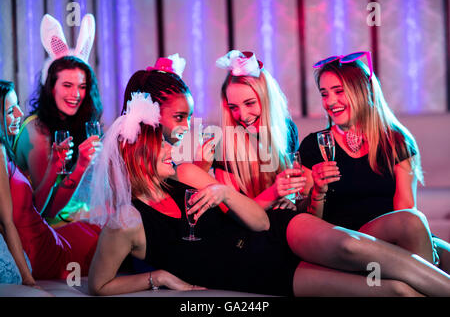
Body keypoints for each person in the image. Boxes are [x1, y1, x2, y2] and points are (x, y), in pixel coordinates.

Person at [85, 91, 450, 296]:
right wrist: (157, 277)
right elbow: (100, 284)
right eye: (161, 146)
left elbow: (260, 221)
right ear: (137, 154)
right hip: (262, 274)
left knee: (353, 247)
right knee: (394, 293)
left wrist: (223, 193)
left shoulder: (187, 175)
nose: (171, 149)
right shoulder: (126, 220)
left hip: (276, 233)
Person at [299, 51, 448, 271]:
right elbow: (308, 224)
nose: (330, 102)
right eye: (324, 93)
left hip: (395, 237)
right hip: (348, 241)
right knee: (413, 225)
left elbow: (405, 208)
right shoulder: (314, 146)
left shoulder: (397, 141)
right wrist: (318, 192)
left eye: (338, 91)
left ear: (364, 90)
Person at [0, 80, 100, 282]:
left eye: (18, 105)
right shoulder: (2, 151)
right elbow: (6, 223)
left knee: (99, 227)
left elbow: (37, 208)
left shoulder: (6, 149)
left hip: (44, 235)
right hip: (38, 252)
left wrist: (55, 166)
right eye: (11, 111)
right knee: (108, 240)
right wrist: (27, 280)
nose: (20, 114)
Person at [13, 14, 102, 226]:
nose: (76, 94)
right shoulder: (37, 131)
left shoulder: (76, 123)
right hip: (42, 232)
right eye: (67, 85)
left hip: (72, 220)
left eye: (82, 86)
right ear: (50, 86)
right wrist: (80, 167)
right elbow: (46, 210)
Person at [193, 50, 303, 211]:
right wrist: (273, 195)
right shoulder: (223, 146)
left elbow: (297, 193)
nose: (243, 116)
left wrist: (290, 201)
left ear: (267, 98)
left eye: (250, 103)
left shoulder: (288, 130)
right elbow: (236, 215)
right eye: (233, 107)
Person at [120, 53, 193, 146]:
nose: (187, 127)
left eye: (189, 118)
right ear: (153, 113)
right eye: (179, 117)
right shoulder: (140, 159)